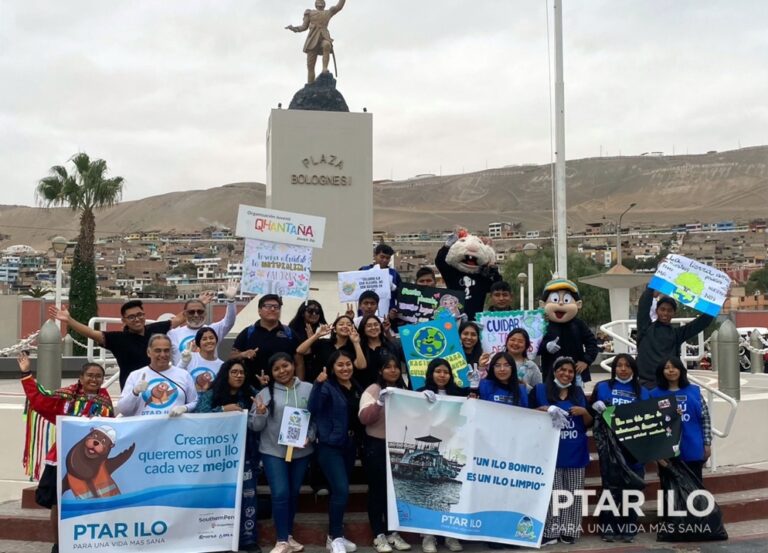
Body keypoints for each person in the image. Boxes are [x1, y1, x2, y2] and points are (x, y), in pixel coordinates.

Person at [18, 352, 114, 553]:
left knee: (90, 503)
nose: (94, 379)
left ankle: (87, 543)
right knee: (58, 504)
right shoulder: (66, 398)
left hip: (91, 465)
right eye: (90, 375)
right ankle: (59, 545)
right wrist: (26, 374)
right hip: (61, 459)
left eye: (98, 376)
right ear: (81, 378)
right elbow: (39, 401)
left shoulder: (105, 401)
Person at [250, 353, 314, 553]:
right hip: (273, 452)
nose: (282, 371)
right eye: (276, 369)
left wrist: (310, 437)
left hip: (301, 452)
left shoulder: (309, 389)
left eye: (285, 366)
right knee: (280, 493)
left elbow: (316, 418)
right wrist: (260, 413)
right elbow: (255, 426)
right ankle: (281, 540)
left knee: (293, 494)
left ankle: (289, 536)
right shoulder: (264, 394)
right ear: (271, 373)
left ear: (293, 366)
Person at [196, 360, 260, 552]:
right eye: (234, 372)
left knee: (248, 496)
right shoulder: (210, 395)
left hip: (246, 453)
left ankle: (247, 539)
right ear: (226, 374)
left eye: (242, 372)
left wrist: (262, 411)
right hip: (217, 457)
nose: (239, 375)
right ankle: (217, 539)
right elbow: (200, 416)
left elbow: (262, 413)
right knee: (219, 496)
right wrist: (223, 410)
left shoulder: (251, 395)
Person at [49, 300, 186, 389]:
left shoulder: (156, 329)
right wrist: (69, 320)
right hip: (132, 389)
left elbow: (179, 319)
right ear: (124, 320)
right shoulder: (118, 339)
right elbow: (91, 332)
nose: (137, 319)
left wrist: (199, 303)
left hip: (159, 385)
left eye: (140, 315)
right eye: (131, 317)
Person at [529, 356, 592, 546]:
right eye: (562, 370)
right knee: (552, 494)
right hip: (549, 453)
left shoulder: (578, 392)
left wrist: (585, 412)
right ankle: (551, 530)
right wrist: (542, 410)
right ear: (554, 371)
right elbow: (527, 416)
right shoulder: (540, 390)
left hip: (575, 450)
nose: (566, 374)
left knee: (573, 493)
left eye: (571, 371)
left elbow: (589, 423)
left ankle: (569, 530)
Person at [589, 354, 649, 543]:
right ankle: (609, 527)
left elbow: (650, 418)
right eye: (619, 366)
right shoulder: (603, 387)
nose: (623, 369)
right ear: (614, 368)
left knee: (632, 487)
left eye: (627, 366)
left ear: (633, 369)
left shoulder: (643, 391)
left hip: (634, 445)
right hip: (609, 446)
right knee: (610, 487)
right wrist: (594, 406)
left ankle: (629, 526)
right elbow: (591, 411)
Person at [308, 350, 363, 553]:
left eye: (348, 364)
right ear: (332, 368)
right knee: (341, 489)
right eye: (340, 365)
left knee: (340, 490)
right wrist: (318, 383)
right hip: (329, 446)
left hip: (349, 446)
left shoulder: (355, 386)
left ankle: (338, 533)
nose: (345, 368)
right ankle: (334, 537)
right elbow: (312, 408)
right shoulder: (327, 386)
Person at [358, 354, 411, 553]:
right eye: (387, 367)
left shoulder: (405, 390)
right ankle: (378, 534)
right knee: (378, 491)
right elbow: (364, 418)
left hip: (398, 446)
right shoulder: (373, 389)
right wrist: (379, 403)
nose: (393, 370)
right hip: (376, 445)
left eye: (396, 367)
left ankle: (392, 532)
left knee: (393, 492)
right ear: (380, 370)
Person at [417, 358, 465, 553]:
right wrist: (420, 400)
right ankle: (428, 537)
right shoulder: (421, 392)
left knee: (451, 494)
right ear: (431, 373)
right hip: (431, 443)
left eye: (446, 371)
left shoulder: (459, 393)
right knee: (428, 494)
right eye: (438, 371)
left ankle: (450, 535)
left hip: (454, 446)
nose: (442, 375)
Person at [649, 357, 712, 485]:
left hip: (692, 448)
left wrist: (707, 443)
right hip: (666, 453)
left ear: (681, 370)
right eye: (666, 368)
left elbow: (705, 418)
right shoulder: (653, 395)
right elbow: (650, 425)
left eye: (674, 367)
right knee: (670, 493)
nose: (671, 371)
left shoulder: (694, 392)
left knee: (695, 491)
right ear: (661, 371)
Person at [636, 286, 714, 387]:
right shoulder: (645, 327)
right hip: (645, 384)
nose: (665, 313)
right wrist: (650, 291)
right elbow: (643, 307)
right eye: (662, 309)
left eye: (669, 310)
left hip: (668, 385)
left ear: (674, 313)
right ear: (656, 311)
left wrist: (716, 304)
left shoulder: (677, 334)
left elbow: (701, 323)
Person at [116, 334, 198, 416]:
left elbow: (194, 401)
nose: (162, 355)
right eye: (158, 350)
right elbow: (123, 410)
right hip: (144, 428)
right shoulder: (135, 375)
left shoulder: (184, 375)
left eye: (166, 350)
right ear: (149, 352)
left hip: (174, 427)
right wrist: (135, 392)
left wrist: (185, 408)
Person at [231, 294, 299, 388]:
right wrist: (243, 354)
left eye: (276, 307)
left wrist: (299, 385)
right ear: (259, 311)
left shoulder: (289, 333)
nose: (272, 309)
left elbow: (299, 362)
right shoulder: (248, 332)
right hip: (253, 388)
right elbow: (232, 357)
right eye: (268, 306)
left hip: (285, 388)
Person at [168, 280, 239, 365]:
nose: (196, 315)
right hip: (183, 377)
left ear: (205, 313)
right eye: (191, 312)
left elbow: (229, 322)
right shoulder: (173, 334)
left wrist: (231, 300)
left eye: (200, 311)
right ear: (185, 314)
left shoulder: (212, 331)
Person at [286, 0, 347, 84]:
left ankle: (324, 68)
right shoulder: (310, 13)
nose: (321, 3)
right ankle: (310, 84)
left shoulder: (328, 12)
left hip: (324, 37)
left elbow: (339, 6)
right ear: (316, 4)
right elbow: (304, 27)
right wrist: (294, 28)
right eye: (319, 1)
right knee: (310, 66)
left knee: (327, 45)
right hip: (312, 39)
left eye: (322, 1)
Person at [297, 315, 366, 383]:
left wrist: (356, 342)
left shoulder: (354, 347)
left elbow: (362, 366)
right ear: (335, 329)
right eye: (341, 324)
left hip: (342, 387)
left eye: (349, 325)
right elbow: (300, 350)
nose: (345, 326)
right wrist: (317, 335)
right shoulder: (323, 343)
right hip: (320, 384)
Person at [357, 314, 402, 389]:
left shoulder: (389, 346)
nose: (373, 328)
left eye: (376, 325)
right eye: (369, 326)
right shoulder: (360, 348)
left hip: (389, 389)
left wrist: (387, 332)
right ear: (363, 329)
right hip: (367, 389)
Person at [179, 326, 224, 395]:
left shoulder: (222, 365)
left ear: (216, 340)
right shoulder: (190, 358)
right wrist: (183, 362)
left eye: (211, 338)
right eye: (204, 339)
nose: (209, 341)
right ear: (198, 343)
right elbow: (177, 376)